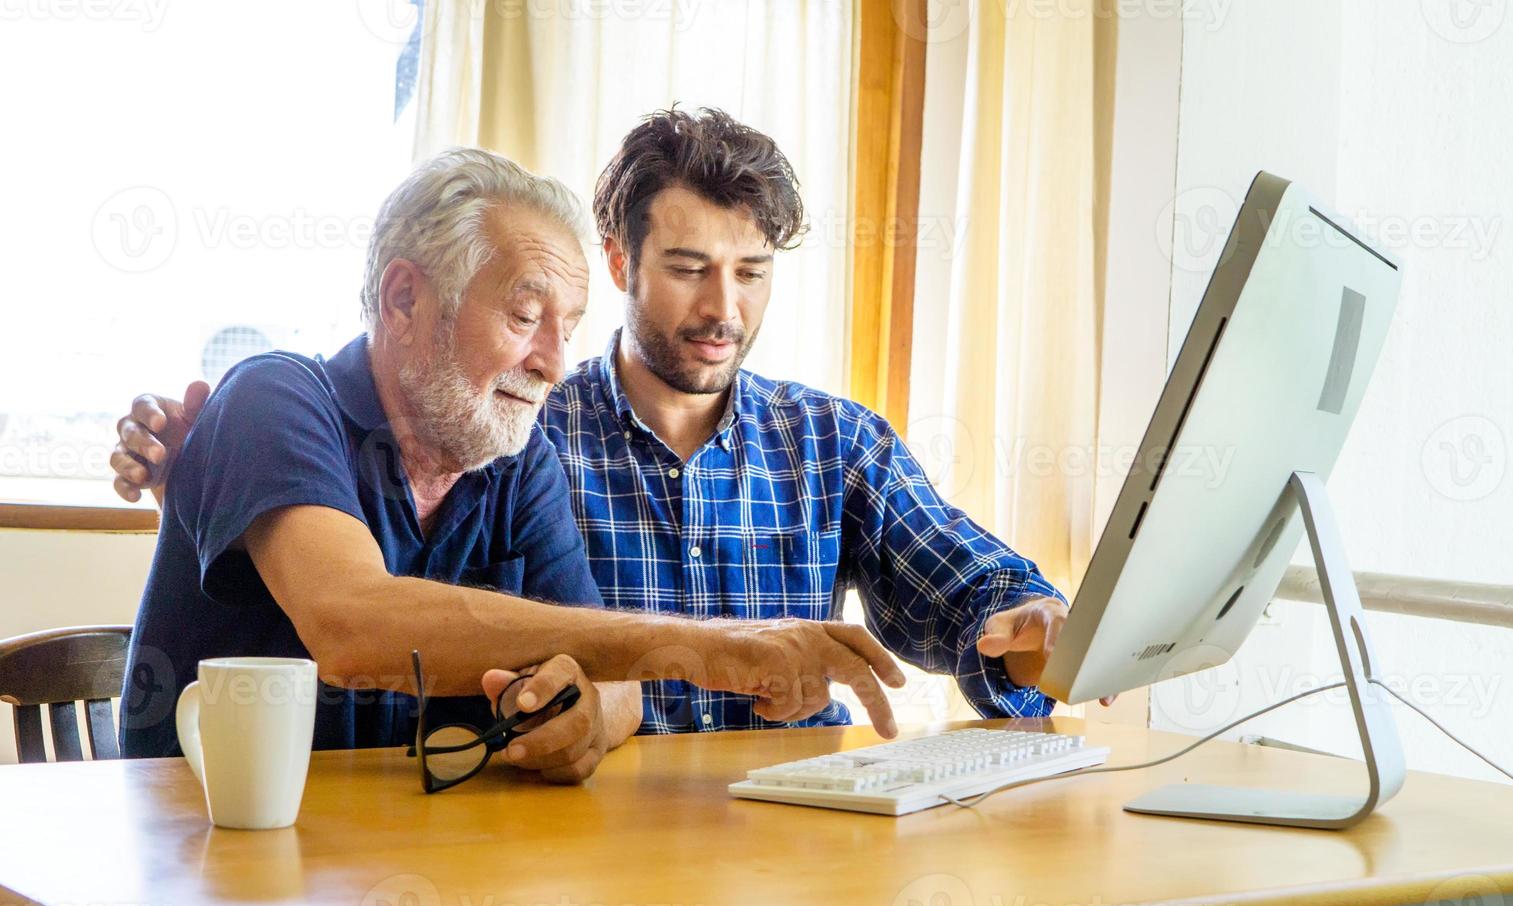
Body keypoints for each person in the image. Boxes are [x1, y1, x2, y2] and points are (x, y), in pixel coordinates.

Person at [114, 109, 1091, 741]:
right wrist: (711, 647)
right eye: (522, 314)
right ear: (406, 300)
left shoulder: (507, 453)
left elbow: (601, 694)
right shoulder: (308, 400)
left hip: (446, 868)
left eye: (752, 272)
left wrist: (580, 717)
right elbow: (357, 624)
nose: (548, 358)